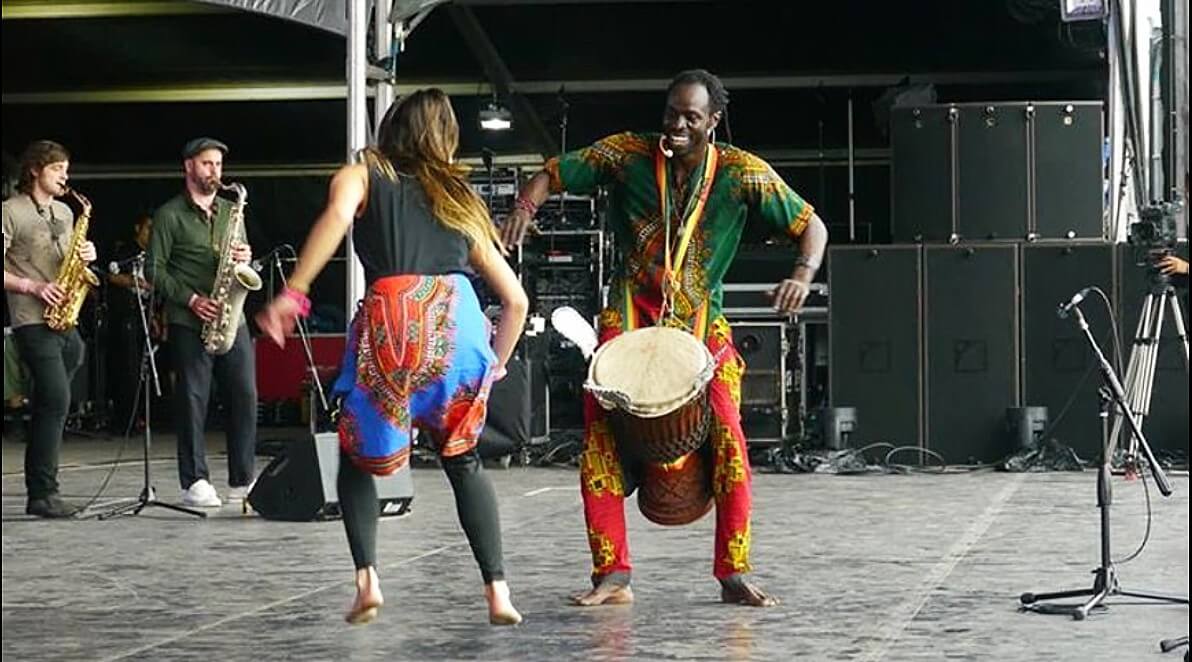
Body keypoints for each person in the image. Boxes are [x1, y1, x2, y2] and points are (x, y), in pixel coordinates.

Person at [501, 69, 829, 607]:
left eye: (691, 117)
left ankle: (733, 571)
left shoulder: (743, 173)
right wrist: (523, 208)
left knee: (729, 443)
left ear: (713, 122)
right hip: (627, 324)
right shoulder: (626, 155)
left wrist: (803, 272)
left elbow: (810, 225)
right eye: (672, 112)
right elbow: (552, 174)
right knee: (599, 447)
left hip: (701, 329)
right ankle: (612, 575)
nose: (677, 124)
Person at [256, 89, 529, 626]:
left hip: (393, 321)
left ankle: (368, 582)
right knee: (463, 460)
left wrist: (295, 292)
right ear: (446, 136)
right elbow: (515, 300)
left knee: (357, 461)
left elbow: (336, 217)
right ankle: (498, 591)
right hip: (457, 323)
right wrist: (493, 366)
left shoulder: (364, 171)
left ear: (393, 127)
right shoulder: (459, 198)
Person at [145, 137, 256, 508]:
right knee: (193, 399)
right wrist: (191, 300)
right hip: (189, 319)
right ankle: (195, 479)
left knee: (244, 396)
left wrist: (245, 254)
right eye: (207, 164)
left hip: (232, 315)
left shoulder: (231, 210)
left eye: (219, 165)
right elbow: (153, 270)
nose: (215, 172)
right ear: (189, 167)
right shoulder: (168, 215)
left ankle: (242, 480)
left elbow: (241, 262)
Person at [2, 140, 98, 518]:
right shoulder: (10, 211)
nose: (65, 176)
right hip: (31, 317)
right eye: (58, 169)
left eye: (66, 169)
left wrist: (86, 253)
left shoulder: (64, 210)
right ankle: (42, 493)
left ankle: (36, 406)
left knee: (68, 370)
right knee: (56, 400)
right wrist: (33, 286)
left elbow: (67, 257)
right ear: (36, 170)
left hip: (63, 317)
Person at [106, 213, 165, 432]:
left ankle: (150, 414)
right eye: (148, 228)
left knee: (147, 367)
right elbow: (111, 275)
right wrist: (135, 282)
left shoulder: (155, 254)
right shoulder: (125, 252)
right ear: (137, 227)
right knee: (128, 368)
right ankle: (128, 418)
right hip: (127, 316)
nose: (151, 233)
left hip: (147, 317)